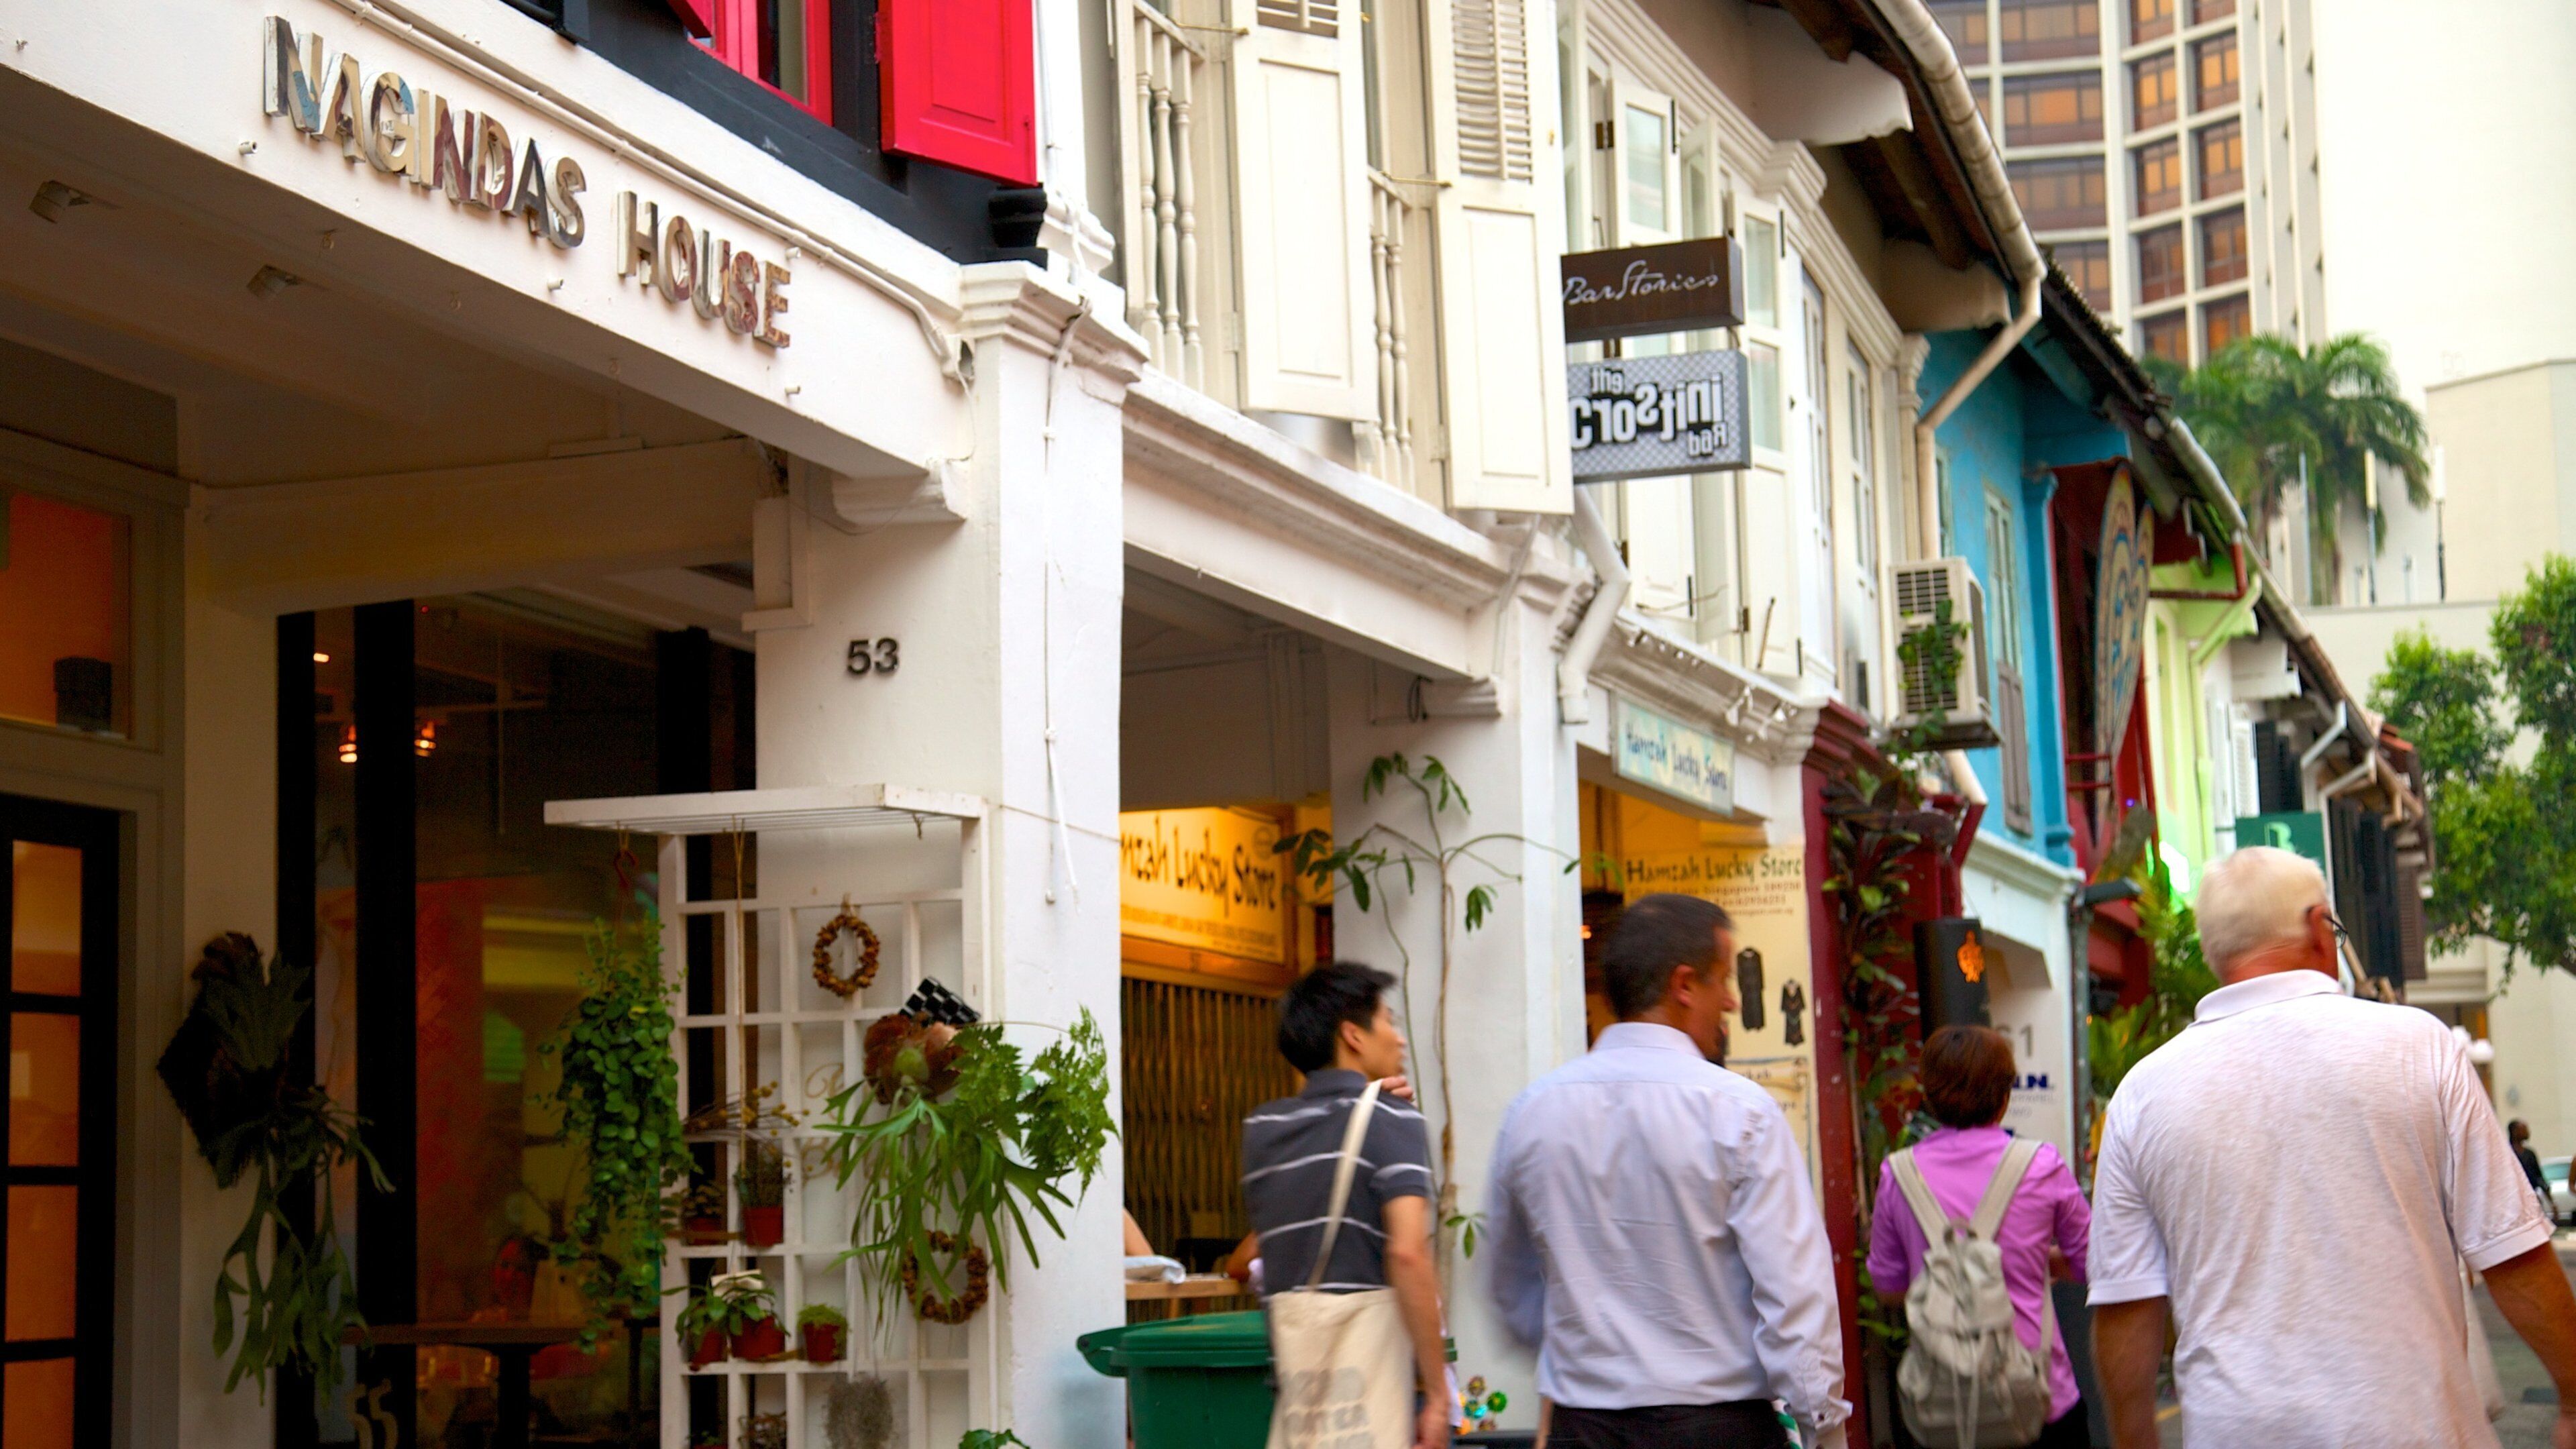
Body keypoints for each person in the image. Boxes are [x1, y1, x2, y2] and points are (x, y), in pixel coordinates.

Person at [2089, 846, 2576, 1449]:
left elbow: (2126, 1304)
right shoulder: (2418, 1047)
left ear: (2216, 954)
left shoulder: (2142, 1094)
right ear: (2320, 927)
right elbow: (2511, 1251)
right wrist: (2573, 1398)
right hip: (2416, 1427)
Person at [1486, 893, 1848, 1449]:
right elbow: (1795, 1296)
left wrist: (1592, 1349)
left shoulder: (1533, 1112)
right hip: (1716, 1428)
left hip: (1582, 1425)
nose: (1731, 1001)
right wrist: (1822, 1427)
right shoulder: (1741, 1112)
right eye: (1722, 980)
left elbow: (1510, 1288)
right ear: (1684, 985)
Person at [1241, 962, 1448, 1449]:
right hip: (1368, 1397)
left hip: (1300, 1396)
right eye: (1388, 1021)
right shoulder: (1391, 1120)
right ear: (1353, 1035)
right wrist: (1438, 1393)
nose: (1398, 1039)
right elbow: (1408, 1254)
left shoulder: (1262, 1130)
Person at [1867, 1025, 2090, 1448]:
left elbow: (1889, 1287)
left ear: (1930, 1096)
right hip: (2039, 1397)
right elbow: (2091, 1262)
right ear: (2005, 1095)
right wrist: (2039, 1262)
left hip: (1943, 1405)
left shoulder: (1898, 1175)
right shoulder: (2041, 1165)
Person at [2514, 1120, 2557, 1226]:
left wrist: (2552, 1202)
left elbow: (2539, 1178)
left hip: (2531, 1198)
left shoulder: (2529, 1154)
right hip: (2515, 1201)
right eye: (2524, 1129)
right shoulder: (2507, 1153)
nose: (2528, 1132)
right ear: (2515, 1131)